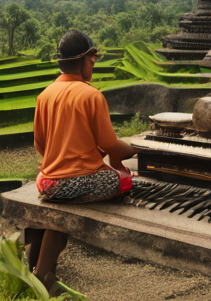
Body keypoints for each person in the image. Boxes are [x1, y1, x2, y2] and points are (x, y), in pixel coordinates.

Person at [26, 29, 138, 293]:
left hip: (46, 182)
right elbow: (111, 146)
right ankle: (44, 277)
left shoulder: (45, 95)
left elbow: (40, 145)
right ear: (83, 60)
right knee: (123, 180)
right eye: (92, 60)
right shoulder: (91, 95)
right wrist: (133, 152)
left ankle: (39, 271)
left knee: (59, 203)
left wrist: (61, 161)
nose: (93, 65)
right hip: (71, 185)